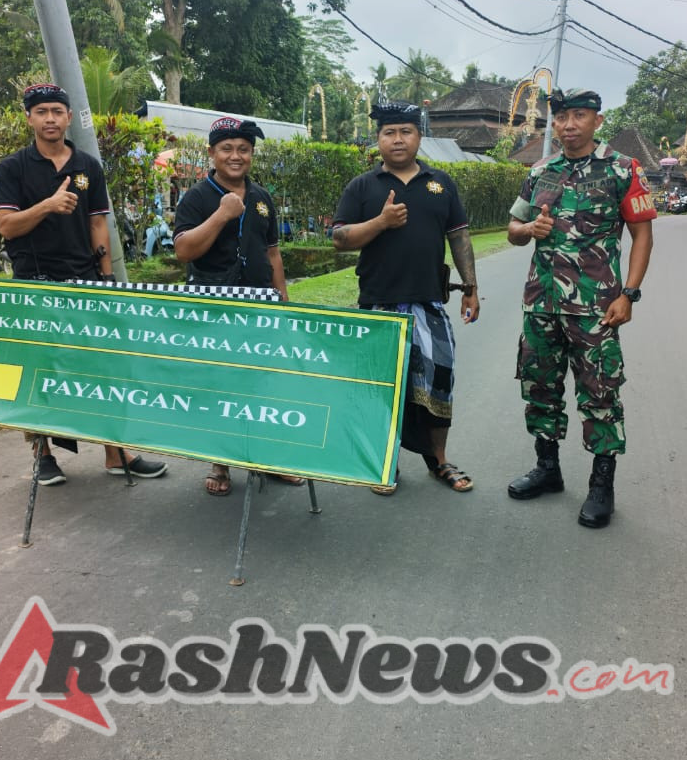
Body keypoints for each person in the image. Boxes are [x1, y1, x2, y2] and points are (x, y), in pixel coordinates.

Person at [0, 83, 168, 486]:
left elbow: (96, 223)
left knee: (100, 368)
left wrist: (105, 279)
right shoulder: (13, 168)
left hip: (84, 282)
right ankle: (43, 454)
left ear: (69, 116)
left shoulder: (88, 165)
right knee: (38, 370)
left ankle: (115, 451)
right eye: (42, 112)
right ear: (29, 118)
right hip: (35, 284)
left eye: (57, 110)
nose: (50, 118)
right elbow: (7, 225)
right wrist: (48, 205)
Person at [505, 88, 655, 528]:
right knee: (540, 387)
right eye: (562, 117)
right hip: (541, 303)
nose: (569, 124)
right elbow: (512, 229)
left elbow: (642, 236)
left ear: (597, 120)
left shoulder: (622, 169)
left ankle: (601, 486)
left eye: (579, 116)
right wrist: (529, 227)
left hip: (597, 308)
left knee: (601, 394)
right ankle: (547, 469)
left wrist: (629, 293)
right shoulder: (540, 171)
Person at [331, 100, 480, 495]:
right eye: (389, 132)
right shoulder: (363, 187)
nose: (397, 139)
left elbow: (459, 237)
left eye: (406, 132)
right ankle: (384, 462)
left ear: (418, 136)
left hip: (428, 302)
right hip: (378, 304)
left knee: (439, 384)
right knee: (381, 388)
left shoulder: (441, 183)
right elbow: (339, 240)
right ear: (378, 139)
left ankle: (439, 462)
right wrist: (380, 222)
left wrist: (471, 289)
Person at [172, 116, 301, 496]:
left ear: (252, 154)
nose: (235, 156)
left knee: (263, 384)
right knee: (220, 385)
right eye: (226, 149)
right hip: (214, 307)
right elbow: (183, 251)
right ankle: (221, 463)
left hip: (260, 305)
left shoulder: (262, 198)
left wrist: (283, 301)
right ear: (211, 153)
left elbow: (273, 253)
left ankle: (268, 460)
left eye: (243, 149)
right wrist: (223, 213)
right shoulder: (197, 197)